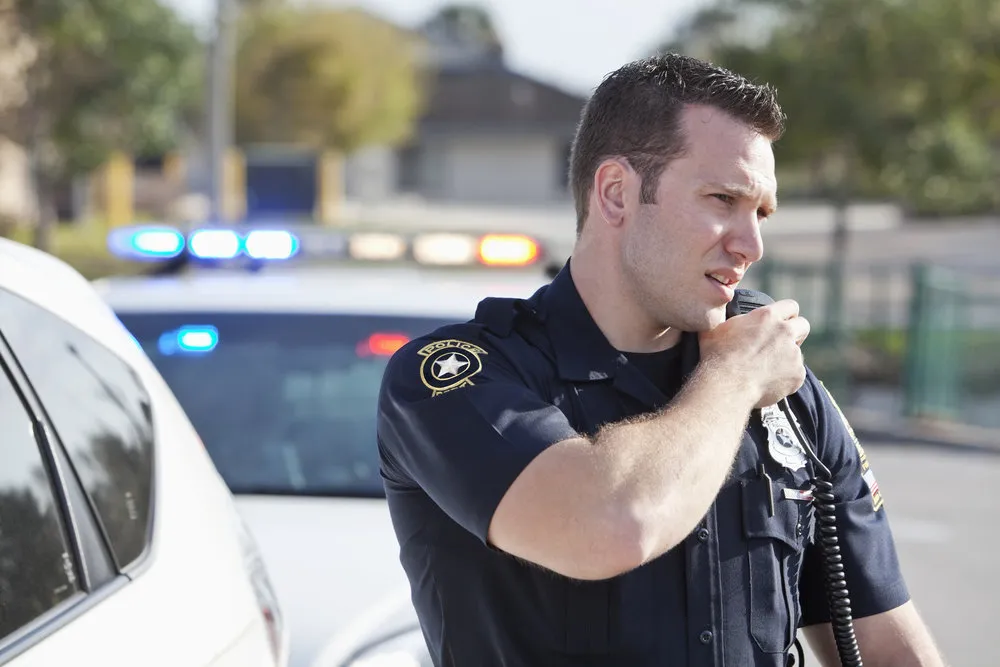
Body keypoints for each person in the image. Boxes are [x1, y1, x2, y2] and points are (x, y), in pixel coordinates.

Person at [376, 53, 946, 666]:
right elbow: (611, 524)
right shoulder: (456, 375)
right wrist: (732, 378)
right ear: (617, 194)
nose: (750, 245)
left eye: (761, 213)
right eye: (722, 199)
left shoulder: (786, 391)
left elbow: (888, 646)